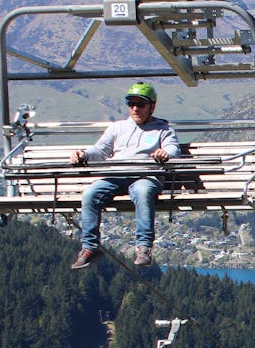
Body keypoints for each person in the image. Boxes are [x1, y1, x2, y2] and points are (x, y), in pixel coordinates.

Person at [68, 82, 180, 269]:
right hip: (117, 173)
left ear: (152, 106)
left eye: (141, 104)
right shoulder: (117, 128)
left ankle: (144, 247)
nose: (135, 108)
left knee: (143, 193)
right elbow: (101, 150)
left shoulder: (163, 129)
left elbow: (173, 148)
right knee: (90, 195)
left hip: (145, 175)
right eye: (131, 104)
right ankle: (90, 247)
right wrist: (84, 154)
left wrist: (165, 154)